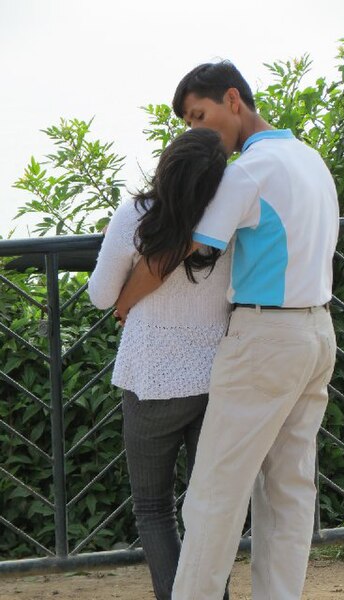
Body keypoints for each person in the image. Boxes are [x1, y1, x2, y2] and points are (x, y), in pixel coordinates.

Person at [115, 60, 339, 600]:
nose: (197, 130)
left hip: (264, 342)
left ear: (233, 100)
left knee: (212, 496)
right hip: (317, 334)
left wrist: (122, 302)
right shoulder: (309, 160)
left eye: (201, 115)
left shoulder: (248, 171)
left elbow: (181, 249)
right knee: (288, 492)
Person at [87, 128, 231, 600]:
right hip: (217, 378)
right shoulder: (228, 217)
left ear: (167, 163)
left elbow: (101, 295)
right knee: (210, 509)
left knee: (154, 509)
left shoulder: (137, 215)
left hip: (152, 379)